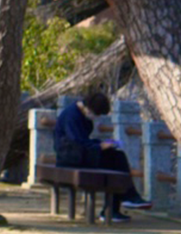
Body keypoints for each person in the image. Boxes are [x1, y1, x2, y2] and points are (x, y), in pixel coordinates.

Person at [54, 91, 150, 221]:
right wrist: (99, 146)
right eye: (96, 114)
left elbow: (83, 141)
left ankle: (120, 203)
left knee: (117, 157)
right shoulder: (72, 116)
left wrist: (102, 144)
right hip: (70, 158)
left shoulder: (81, 114)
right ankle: (122, 201)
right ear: (88, 108)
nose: (96, 117)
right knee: (116, 160)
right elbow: (77, 142)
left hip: (78, 154)